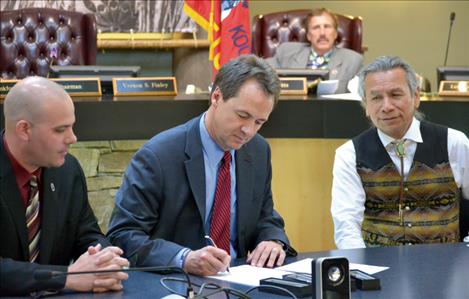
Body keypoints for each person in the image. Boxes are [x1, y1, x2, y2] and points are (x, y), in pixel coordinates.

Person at [107, 54, 297, 276]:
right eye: (242, 115)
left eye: (259, 122)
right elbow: (123, 234)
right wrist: (183, 258)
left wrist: (273, 240)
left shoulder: (257, 150)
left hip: (240, 279)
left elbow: (265, 216)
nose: (249, 131)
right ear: (216, 97)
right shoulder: (159, 155)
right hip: (177, 283)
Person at [0, 77, 129, 296]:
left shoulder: (67, 170)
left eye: (72, 127)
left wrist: (103, 259)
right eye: (60, 130)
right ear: (24, 130)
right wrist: (65, 278)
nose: (73, 138)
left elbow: (87, 233)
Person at [331, 56, 469, 249]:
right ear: (366, 106)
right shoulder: (349, 154)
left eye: (396, 95)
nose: (387, 106)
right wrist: (363, 271)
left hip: (446, 265)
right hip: (379, 267)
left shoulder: (453, 143)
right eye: (376, 97)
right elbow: (346, 225)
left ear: (416, 97)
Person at [266, 8, 363, 94]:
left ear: (335, 34)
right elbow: (262, 71)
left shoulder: (353, 60)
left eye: (327, 26)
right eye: (316, 27)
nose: (322, 33)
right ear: (308, 35)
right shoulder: (286, 52)